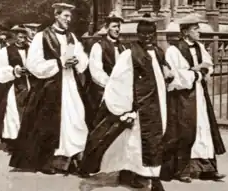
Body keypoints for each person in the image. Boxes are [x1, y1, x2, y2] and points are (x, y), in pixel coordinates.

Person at [80, 13, 174, 191]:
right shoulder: (130, 54)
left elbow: (163, 73)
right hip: (139, 106)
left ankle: (144, 174)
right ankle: (144, 176)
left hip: (158, 103)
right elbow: (119, 81)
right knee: (135, 141)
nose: (148, 38)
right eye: (144, 34)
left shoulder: (158, 52)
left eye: (151, 34)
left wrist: (169, 74)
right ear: (138, 34)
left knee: (152, 138)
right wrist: (125, 109)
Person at [9, 3, 89, 175]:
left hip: (69, 84)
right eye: (66, 16)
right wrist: (59, 63)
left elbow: (82, 56)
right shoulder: (41, 36)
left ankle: (70, 159)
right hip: (49, 86)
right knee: (49, 123)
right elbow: (33, 64)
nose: (69, 19)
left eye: (70, 16)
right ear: (56, 16)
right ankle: (47, 161)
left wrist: (77, 61)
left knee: (75, 118)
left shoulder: (71, 36)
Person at [162, 14, 226, 183]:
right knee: (185, 131)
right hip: (184, 96)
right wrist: (196, 72)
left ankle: (207, 169)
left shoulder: (200, 47)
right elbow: (175, 76)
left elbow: (209, 65)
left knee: (204, 128)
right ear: (185, 32)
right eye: (195, 29)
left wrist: (199, 70)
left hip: (199, 93)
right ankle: (182, 170)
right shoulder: (174, 50)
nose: (199, 32)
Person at [0, 25, 31, 152]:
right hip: (13, 85)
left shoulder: (32, 49)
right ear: (14, 36)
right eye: (19, 35)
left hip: (30, 84)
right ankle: (13, 141)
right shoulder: (6, 51)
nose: (22, 38)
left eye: (24, 35)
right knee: (13, 113)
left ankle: (27, 141)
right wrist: (14, 70)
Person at [85, 11, 126, 131]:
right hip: (102, 90)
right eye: (114, 26)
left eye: (118, 27)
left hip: (120, 90)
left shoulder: (123, 47)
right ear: (107, 28)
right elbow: (96, 71)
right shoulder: (98, 46)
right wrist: (110, 84)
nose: (117, 29)